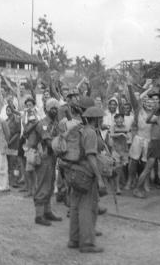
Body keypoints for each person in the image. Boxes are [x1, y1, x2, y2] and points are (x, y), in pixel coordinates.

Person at [67, 106, 106, 253]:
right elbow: (91, 156)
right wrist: (99, 178)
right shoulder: (90, 133)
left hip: (75, 172)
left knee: (76, 206)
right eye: (101, 118)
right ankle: (87, 243)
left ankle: (74, 239)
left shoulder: (81, 130)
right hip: (86, 175)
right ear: (96, 119)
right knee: (87, 208)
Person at [28, 98, 62, 226]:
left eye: (56, 108)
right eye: (52, 108)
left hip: (51, 158)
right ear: (46, 109)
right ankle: (39, 215)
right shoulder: (43, 124)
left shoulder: (54, 123)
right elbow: (48, 141)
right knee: (43, 184)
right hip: (43, 158)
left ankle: (47, 211)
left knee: (50, 183)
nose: (55, 110)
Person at [133, 103, 160, 198]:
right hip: (154, 145)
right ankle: (137, 189)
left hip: (159, 146)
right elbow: (147, 120)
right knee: (147, 170)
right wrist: (154, 111)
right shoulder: (157, 118)